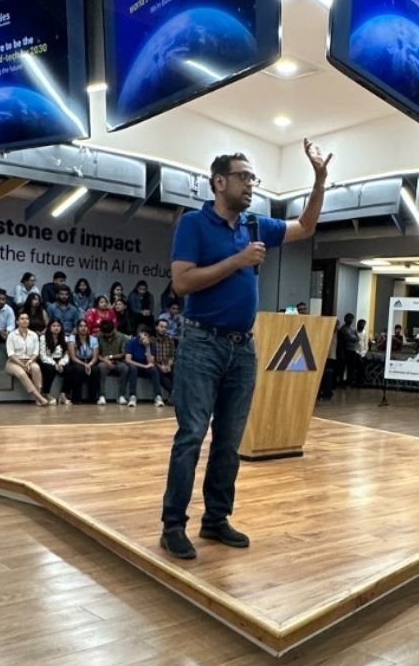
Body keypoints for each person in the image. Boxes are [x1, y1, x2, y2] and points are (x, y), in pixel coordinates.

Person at [159, 139, 329, 560]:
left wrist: (319, 180)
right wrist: (237, 261)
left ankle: (216, 519)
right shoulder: (193, 224)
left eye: (254, 177)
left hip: (243, 348)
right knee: (191, 435)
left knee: (229, 439)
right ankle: (173, 525)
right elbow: (182, 283)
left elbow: (306, 227)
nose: (251, 184)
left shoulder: (256, 225)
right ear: (220, 182)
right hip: (201, 342)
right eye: (244, 177)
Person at [6, 312, 49, 405]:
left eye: (27, 318)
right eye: (22, 319)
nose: (25, 320)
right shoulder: (11, 335)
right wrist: (22, 365)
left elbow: (35, 352)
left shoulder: (33, 335)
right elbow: (11, 354)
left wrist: (30, 361)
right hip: (14, 362)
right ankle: (39, 397)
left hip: (29, 360)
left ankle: (38, 398)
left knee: (36, 368)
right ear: (17, 322)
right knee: (21, 373)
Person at [122, 327, 162, 408]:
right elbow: (128, 360)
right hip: (135, 366)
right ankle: (132, 396)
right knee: (133, 368)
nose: (145, 337)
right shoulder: (132, 342)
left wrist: (147, 347)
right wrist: (144, 366)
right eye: (144, 334)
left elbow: (150, 362)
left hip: (146, 367)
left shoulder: (151, 344)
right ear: (140, 334)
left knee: (154, 369)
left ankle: (158, 396)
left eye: (147, 336)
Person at [66, 320, 104, 404]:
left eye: (85, 326)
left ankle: (92, 398)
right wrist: (85, 365)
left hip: (90, 361)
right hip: (77, 361)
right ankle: (76, 398)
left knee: (95, 370)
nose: (83, 328)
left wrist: (89, 364)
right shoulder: (72, 338)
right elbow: (73, 357)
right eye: (81, 326)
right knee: (79, 370)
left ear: (88, 328)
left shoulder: (93, 339)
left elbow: (95, 357)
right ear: (77, 328)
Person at [38, 319, 72, 405]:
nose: (56, 328)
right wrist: (54, 364)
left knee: (69, 369)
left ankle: (63, 394)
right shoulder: (43, 338)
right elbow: (43, 356)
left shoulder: (65, 338)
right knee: (50, 369)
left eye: (58, 326)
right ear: (49, 327)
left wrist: (61, 364)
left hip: (60, 360)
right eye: (54, 326)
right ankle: (46, 393)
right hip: (47, 360)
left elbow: (66, 355)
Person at [96, 319, 129, 402]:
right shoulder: (99, 337)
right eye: (105, 334)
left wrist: (111, 357)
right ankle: (102, 395)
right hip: (104, 362)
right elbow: (96, 354)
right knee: (101, 367)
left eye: (109, 334)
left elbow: (123, 353)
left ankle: (121, 395)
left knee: (125, 368)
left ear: (113, 329)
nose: (107, 336)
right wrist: (105, 361)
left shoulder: (121, 337)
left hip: (118, 361)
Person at [152, 318, 176, 402]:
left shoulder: (170, 339)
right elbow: (151, 358)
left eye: (165, 327)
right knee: (158, 372)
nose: (163, 329)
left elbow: (172, 355)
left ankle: (173, 394)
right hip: (156, 364)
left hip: (168, 363)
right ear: (156, 327)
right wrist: (160, 366)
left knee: (176, 370)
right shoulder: (152, 340)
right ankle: (174, 393)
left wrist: (169, 365)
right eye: (161, 326)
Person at [336, 313, 359, 386]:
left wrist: (352, 337)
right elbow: (348, 338)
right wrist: (353, 337)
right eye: (349, 318)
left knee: (351, 367)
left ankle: (349, 381)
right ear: (345, 319)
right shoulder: (343, 329)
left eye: (352, 319)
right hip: (346, 350)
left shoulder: (353, 329)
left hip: (353, 350)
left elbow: (357, 338)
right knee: (343, 367)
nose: (351, 320)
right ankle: (342, 381)